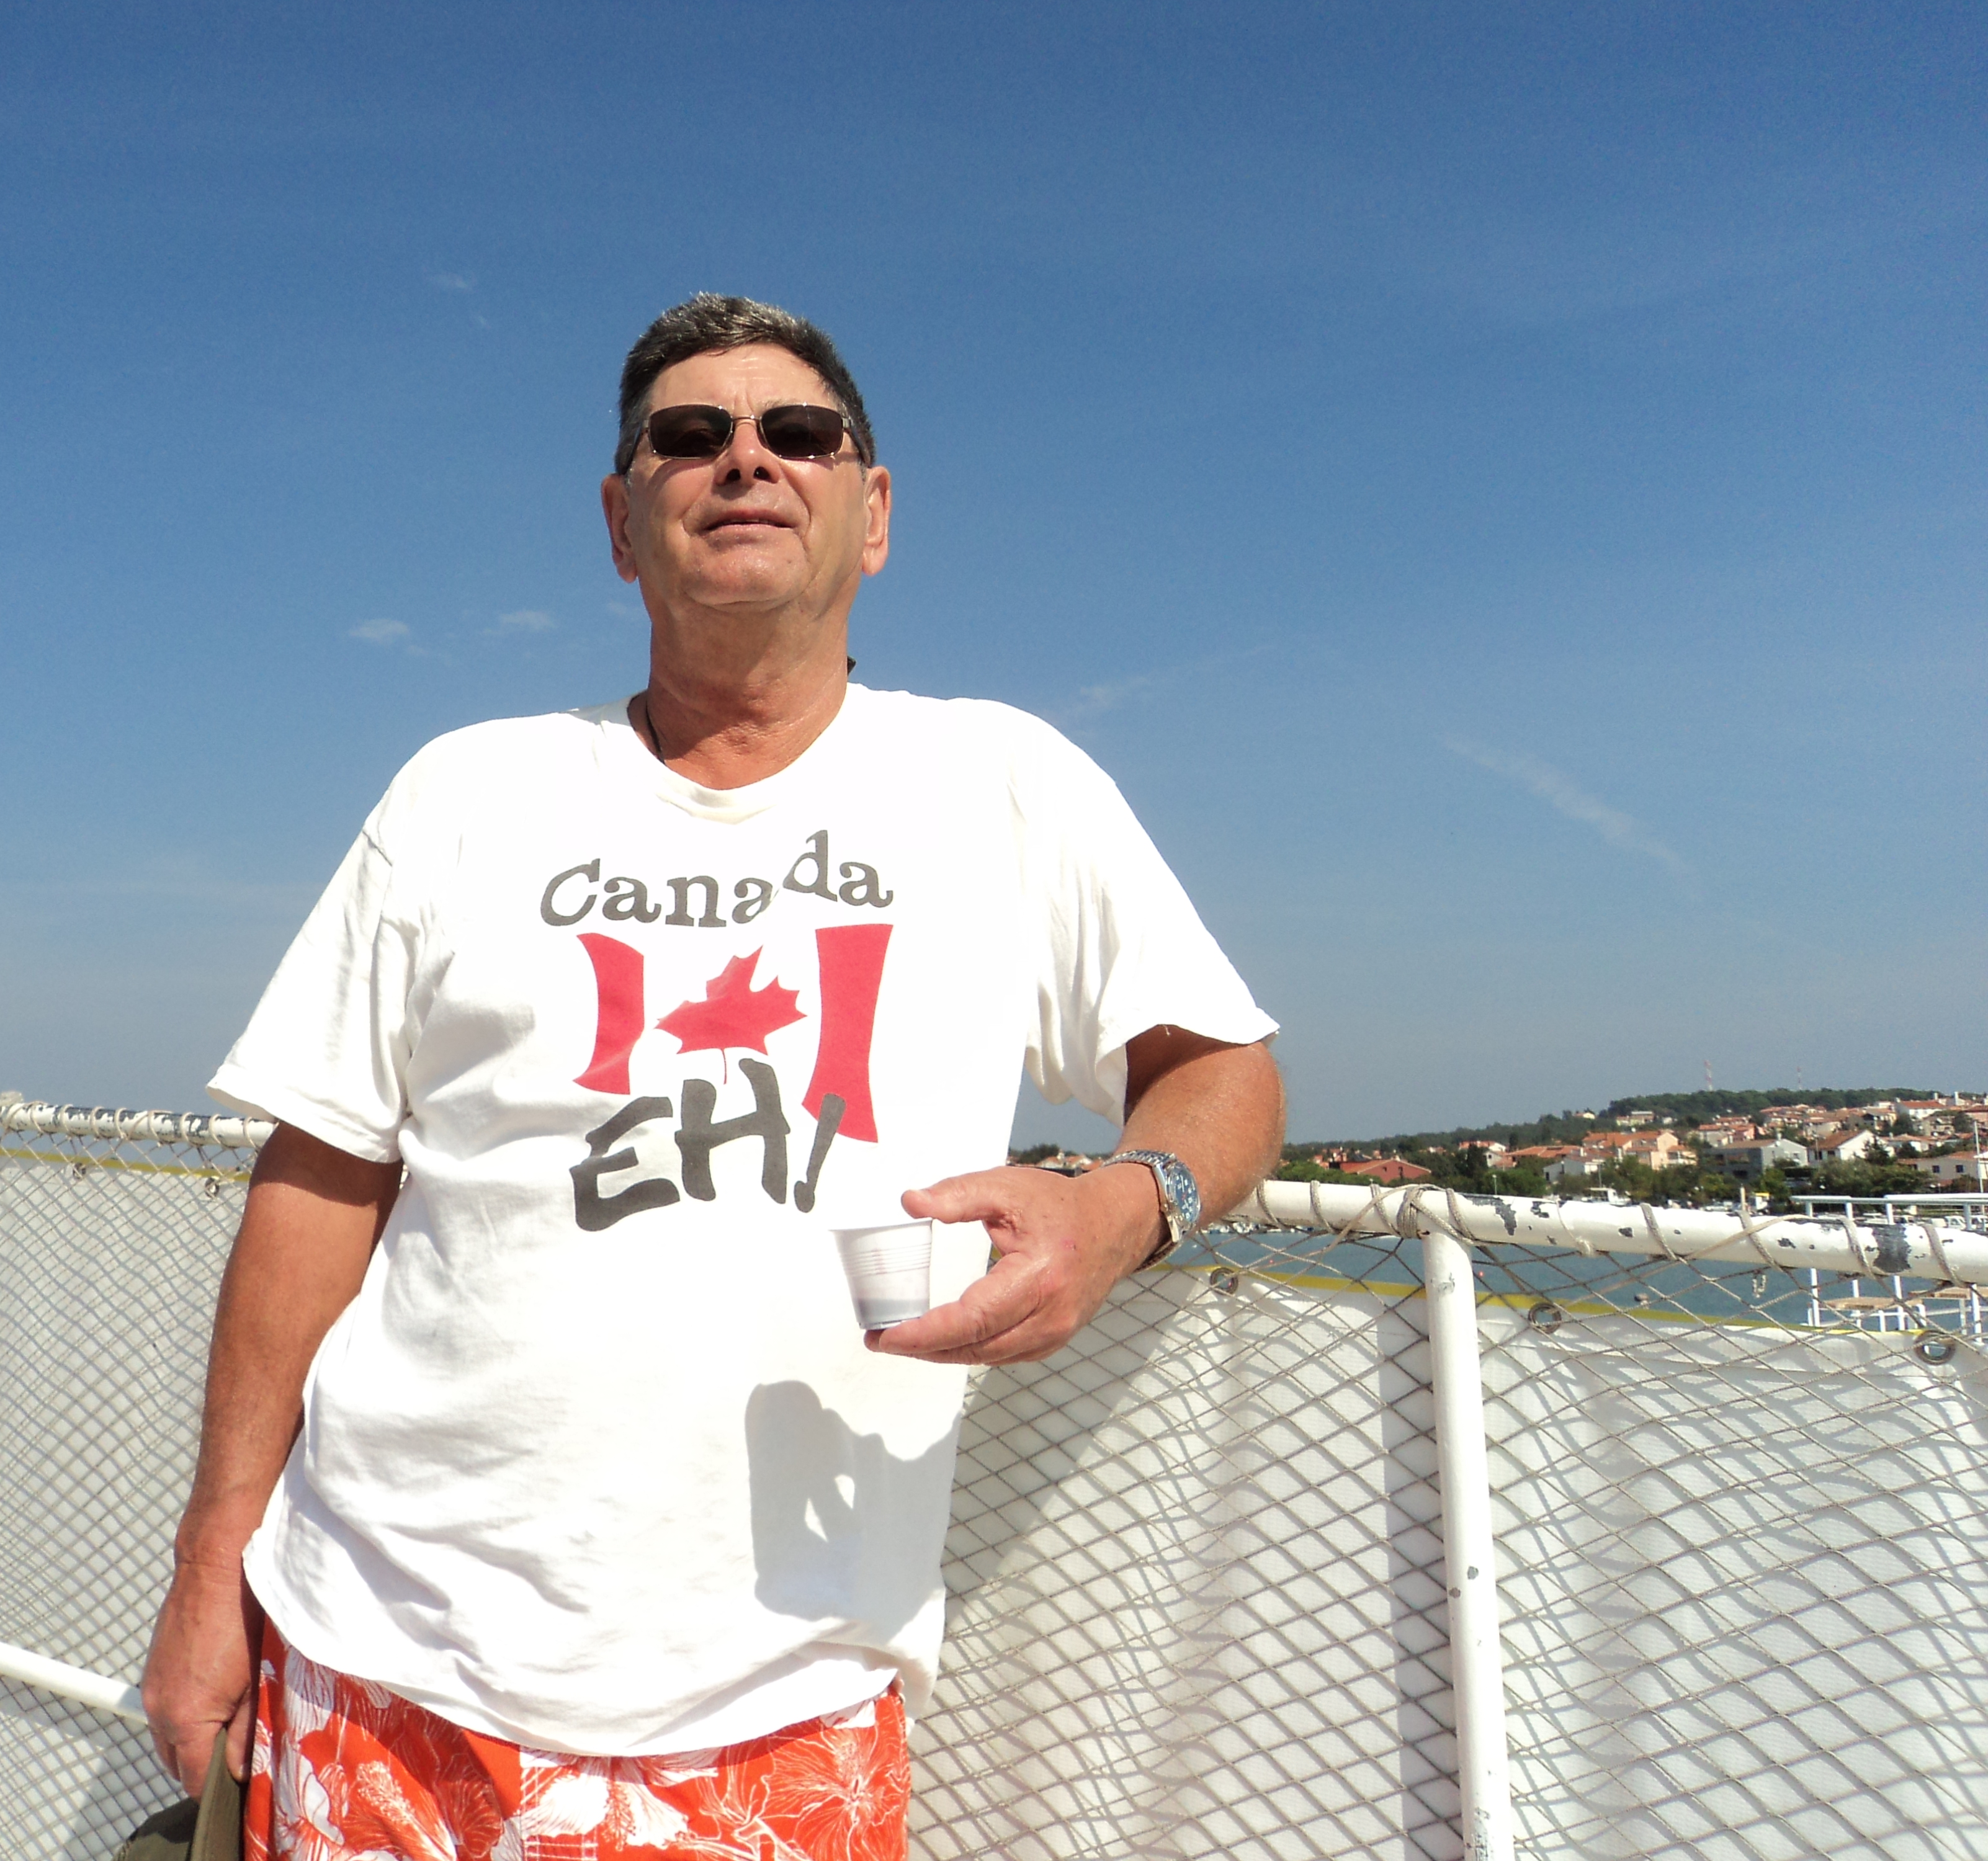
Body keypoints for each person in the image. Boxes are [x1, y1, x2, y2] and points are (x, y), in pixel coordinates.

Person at [141, 293, 1286, 1859]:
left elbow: (1221, 1072)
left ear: (871, 514)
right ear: (621, 525)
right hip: (379, 1658)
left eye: (798, 434)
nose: (745, 459)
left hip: (781, 1702)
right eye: (687, 438)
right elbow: (317, 1182)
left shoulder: (1002, 783)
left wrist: (1116, 1213)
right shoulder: (465, 791)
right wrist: (210, 1570)